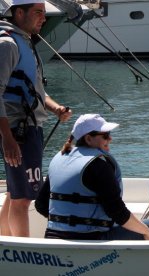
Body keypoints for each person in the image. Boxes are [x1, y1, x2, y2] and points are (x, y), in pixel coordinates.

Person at [0, 0, 72, 237]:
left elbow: (35, 89)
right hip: (18, 132)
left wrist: (55, 108)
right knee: (23, 198)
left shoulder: (25, 42)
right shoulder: (8, 44)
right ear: (19, 13)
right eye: (38, 13)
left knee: (14, 193)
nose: (43, 18)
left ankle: (5, 242)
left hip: (27, 128)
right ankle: (23, 254)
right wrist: (8, 139)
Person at [35, 114, 149, 240]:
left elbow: (40, 204)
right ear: (89, 138)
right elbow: (117, 212)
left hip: (53, 237)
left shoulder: (58, 159)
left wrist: (67, 222)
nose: (110, 139)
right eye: (105, 136)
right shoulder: (98, 164)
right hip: (90, 239)